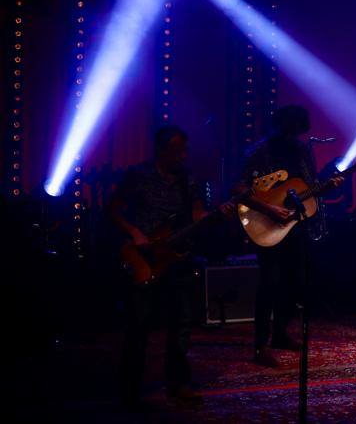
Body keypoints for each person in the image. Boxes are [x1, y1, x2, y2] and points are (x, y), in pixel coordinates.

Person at [109, 125, 218, 409]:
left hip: (177, 258)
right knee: (139, 325)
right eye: (176, 149)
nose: (183, 155)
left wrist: (209, 216)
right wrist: (134, 233)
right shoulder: (138, 175)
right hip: (144, 255)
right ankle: (129, 390)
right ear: (161, 149)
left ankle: (178, 383)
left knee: (181, 325)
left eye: (185, 149)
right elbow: (112, 210)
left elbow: (195, 213)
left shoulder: (187, 180)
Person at [233, 104, 343, 368]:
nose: (294, 136)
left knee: (296, 281)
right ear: (280, 126)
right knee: (269, 282)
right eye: (290, 130)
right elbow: (238, 188)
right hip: (266, 224)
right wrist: (268, 207)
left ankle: (281, 333)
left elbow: (308, 188)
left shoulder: (302, 150)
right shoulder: (259, 152)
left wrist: (328, 187)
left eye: (297, 131)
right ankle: (260, 344)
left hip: (295, 226)